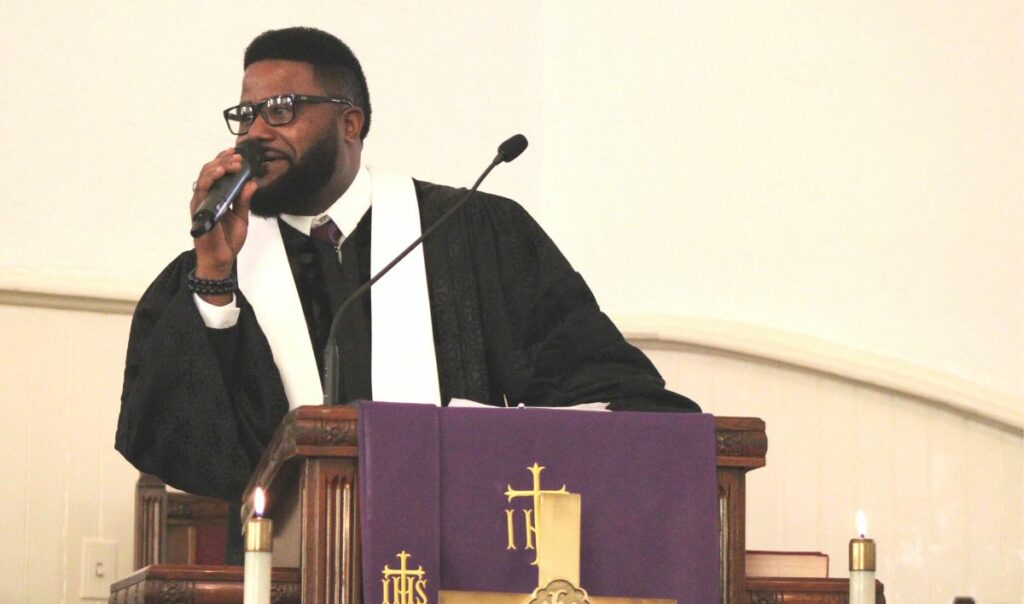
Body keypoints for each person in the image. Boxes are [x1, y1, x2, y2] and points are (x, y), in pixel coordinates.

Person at [115, 27, 699, 512]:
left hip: (467, 563)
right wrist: (214, 278)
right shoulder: (219, 259)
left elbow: (601, 386)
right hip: (291, 584)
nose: (256, 134)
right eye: (246, 115)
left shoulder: (474, 231)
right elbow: (183, 439)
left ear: (351, 124)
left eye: (282, 110)